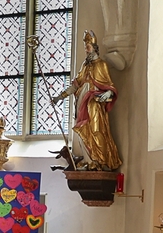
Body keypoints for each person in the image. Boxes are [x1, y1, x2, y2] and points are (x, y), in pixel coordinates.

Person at [51, 30, 121, 171]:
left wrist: (108, 93)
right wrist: (60, 97)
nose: (86, 50)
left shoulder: (101, 65)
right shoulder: (85, 65)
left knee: (96, 131)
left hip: (95, 104)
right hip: (82, 103)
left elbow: (110, 86)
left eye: (88, 47)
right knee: (84, 131)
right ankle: (90, 161)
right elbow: (76, 85)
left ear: (94, 48)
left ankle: (100, 161)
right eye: (85, 47)